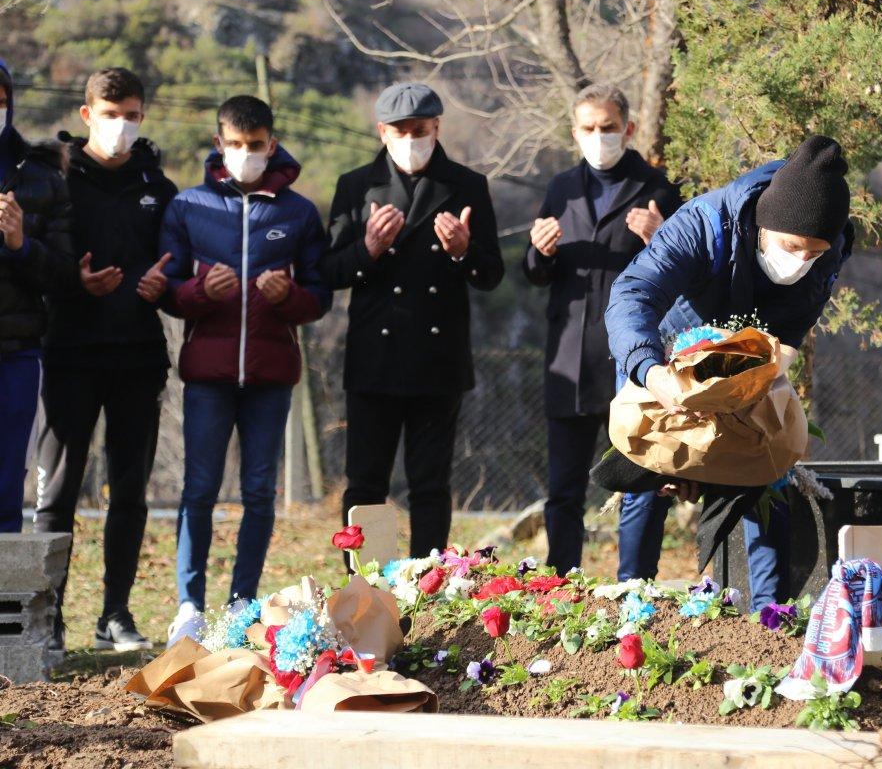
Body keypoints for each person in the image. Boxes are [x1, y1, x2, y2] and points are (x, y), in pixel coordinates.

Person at [605, 135, 855, 610]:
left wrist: (777, 361)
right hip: (667, 352)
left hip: (751, 362)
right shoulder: (704, 224)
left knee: (767, 468)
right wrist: (652, 372)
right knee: (648, 466)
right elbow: (633, 294)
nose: (800, 262)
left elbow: (795, 321)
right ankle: (632, 600)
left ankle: (770, 614)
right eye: (790, 247)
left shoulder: (832, 245)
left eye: (814, 254)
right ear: (764, 224)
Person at [160, 95, 331, 644]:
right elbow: (166, 290)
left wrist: (289, 296)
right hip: (207, 375)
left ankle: (241, 604)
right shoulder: (188, 206)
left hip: (270, 375)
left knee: (259, 492)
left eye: (255, 146)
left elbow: (320, 297)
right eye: (235, 145)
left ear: (272, 144)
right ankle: (188, 604)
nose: (245, 155)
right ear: (219, 145)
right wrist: (197, 291)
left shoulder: (298, 213)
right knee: (199, 489)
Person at [322, 82, 503, 564]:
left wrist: (463, 250)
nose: (410, 139)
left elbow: (491, 275)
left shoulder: (466, 185)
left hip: (436, 360)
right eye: (400, 131)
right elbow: (329, 272)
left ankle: (427, 584)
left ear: (436, 128)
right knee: (365, 483)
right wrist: (369, 250)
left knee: (430, 483)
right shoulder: (355, 186)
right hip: (374, 360)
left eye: (419, 130)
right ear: (382, 132)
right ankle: (365, 583)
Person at [31, 68, 177, 652]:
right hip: (68, 354)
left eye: (133, 114)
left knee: (130, 490)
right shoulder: (54, 180)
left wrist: (161, 290)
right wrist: (74, 281)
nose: (123, 125)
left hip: (139, 358)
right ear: (87, 113)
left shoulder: (158, 186)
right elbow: (33, 260)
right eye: (111, 113)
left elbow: (177, 266)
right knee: (57, 493)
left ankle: (114, 614)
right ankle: (48, 618)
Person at [523, 83, 681, 575]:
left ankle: (634, 586)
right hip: (569, 357)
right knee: (564, 488)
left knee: (639, 481)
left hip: (633, 361)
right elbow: (535, 273)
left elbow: (687, 275)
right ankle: (561, 582)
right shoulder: (561, 188)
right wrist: (539, 251)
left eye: (608, 128)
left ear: (628, 129)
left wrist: (661, 239)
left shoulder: (658, 189)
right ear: (575, 133)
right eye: (588, 129)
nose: (599, 136)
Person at [0, 58, 74, 535]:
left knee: (7, 479)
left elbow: (63, 275)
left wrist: (20, 245)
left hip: (16, 351)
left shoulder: (40, 177)